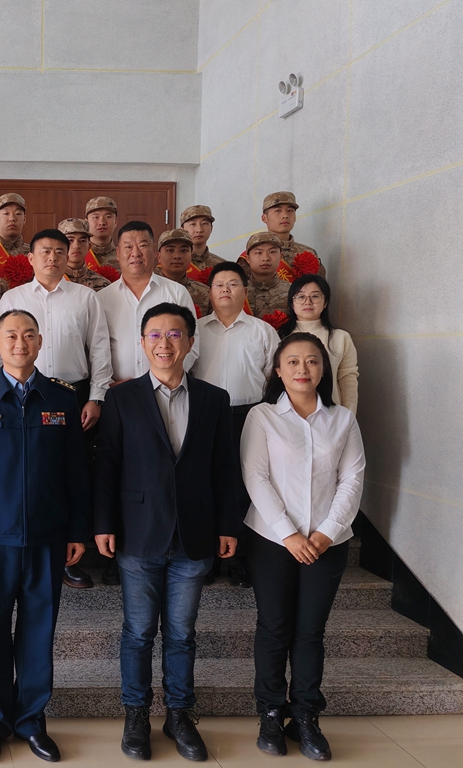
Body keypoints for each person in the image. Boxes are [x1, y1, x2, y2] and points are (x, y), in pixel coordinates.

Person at [94, 302, 242, 763]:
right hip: (138, 534)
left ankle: (179, 715)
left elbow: (225, 468)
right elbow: (107, 466)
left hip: (195, 535)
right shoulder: (121, 398)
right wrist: (103, 524)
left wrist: (228, 525)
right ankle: (136, 715)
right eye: (155, 335)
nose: (164, 343)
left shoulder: (215, 399)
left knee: (181, 633)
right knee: (139, 632)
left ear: (190, 343)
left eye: (175, 334)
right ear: (142, 343)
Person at [0, 308, 90, 764]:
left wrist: (78, 531)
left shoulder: (62, 399)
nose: (19, 343)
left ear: (40, 341)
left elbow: (76, 472)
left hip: (48, 536)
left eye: (28, 335)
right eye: (10, 335)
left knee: (37, 632)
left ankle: (30, 720)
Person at [241, 333, 365, 761]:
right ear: (278, 370)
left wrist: (327, 531)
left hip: (327, 543)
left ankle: (306, 717)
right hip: (271, 540)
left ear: (323, 369)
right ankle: (271, 714)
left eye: (312, 361)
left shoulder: (342, 420)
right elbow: (255, 476)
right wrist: (288, 533)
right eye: (292, 361)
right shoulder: (261, 416)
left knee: (311, 632)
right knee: (274, 627)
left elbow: (352, 478)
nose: (302, 368)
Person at [0, 228, 111, 590]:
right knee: (26, 472)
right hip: (22, 394)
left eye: (61, 251)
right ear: (30, 258)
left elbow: (99, 348)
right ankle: (22, 546)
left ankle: (71, 555)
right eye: (45, 251)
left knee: (71, 473)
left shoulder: (86, 297)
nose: (53, 257)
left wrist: (96, 397)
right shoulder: (13, 297)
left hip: (72, 395)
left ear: (70, 255)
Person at [193, 261, 279, 588]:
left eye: (233, 284)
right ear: (210, 292)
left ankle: (241, 559)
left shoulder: (263, 331)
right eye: (219, 284)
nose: (226, 290)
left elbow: (274, 379)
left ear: (245, 290)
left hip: (250, 416)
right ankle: (208, 558)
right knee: (205, 483)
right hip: (205, 416)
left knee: (246, 486)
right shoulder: (196, 331)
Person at [96, 221, 199, 384]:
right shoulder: (101, 299)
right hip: (117, 389)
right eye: (128, 247)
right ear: (118, 253)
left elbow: (192, 345)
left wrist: (164, 380)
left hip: (168, 388)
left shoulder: (177, 293)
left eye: (143, 245)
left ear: (154, 251)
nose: (135, 253)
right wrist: (107, 384)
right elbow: (96, 349)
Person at [278, 274, 359, 415]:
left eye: (315, 296)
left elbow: (349, 385)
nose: (308, 302)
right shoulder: (278, 337)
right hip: (287, 416)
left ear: (325, 302)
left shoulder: (340, 338)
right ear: (292, 303)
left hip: (331, 415)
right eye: (301, 297)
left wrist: (348, 419)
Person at [258, 191, 325, 278]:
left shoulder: (308, 253)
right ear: (264, 218)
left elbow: (319, 285)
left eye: (290, 210)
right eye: (278, 210)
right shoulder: (255, 254)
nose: (285, 215)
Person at [154, 229, 211, 317]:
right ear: (159, 256)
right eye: (170, 250)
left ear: (191, 256)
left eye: (184, 250)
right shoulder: (148, 288)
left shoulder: (205, 293)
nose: (177, 256)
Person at [243, 232, 293, 319]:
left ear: (281, 256)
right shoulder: (238, 291)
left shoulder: (292, 291)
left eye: (272, 252)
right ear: (248, 258)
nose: (265, 258)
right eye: (259, 253)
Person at [0, 193, 29, 281]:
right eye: (6, 213)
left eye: (18, 213)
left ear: (24, 219)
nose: (12, 218)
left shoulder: (35, 253)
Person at [59, 218, 110, 291]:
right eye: (70, 240)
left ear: (89, 246)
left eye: (82, 240)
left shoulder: (103, 284)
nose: (76, 246)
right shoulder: (50, 281)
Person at [179, 205, 223, 275]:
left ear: (211, 228)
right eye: (193, 224)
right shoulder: (175, 264)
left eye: (204, 223)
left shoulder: (222, 266)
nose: (199, 230)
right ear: (182, 230)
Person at [85, 196, 120, 270]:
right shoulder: (77, 256)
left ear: (116, 222)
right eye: (96, 217)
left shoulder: (123, 256)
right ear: (86, 223)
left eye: (108, 216)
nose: (102, 222)